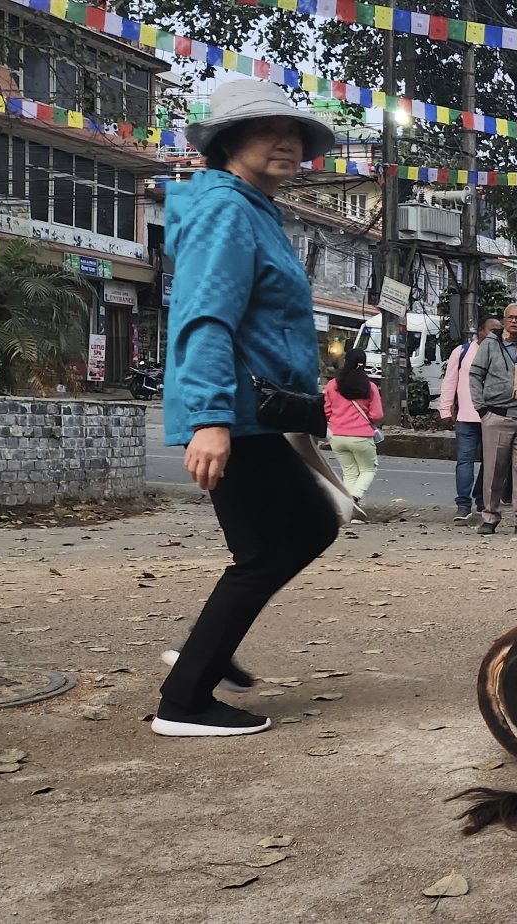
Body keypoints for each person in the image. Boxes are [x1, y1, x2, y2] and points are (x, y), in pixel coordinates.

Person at [157, 79, 339, 737]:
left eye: (296, 133)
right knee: (264, 553)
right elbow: (206, 314)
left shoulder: (255, 208)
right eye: (269, 129)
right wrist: (209, 419)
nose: (288, 142)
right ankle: (185, 702)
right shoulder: (227, 209)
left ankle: (207, 645)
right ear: (230, 140)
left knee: (312, 524)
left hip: (260, 412)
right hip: (234, 410)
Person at [471, 303, 517, 536]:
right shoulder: (490, 345)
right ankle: (490, 517)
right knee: (494, 469)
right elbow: (475, 376)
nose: (514, 321)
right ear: (504, 320)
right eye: (510, 317)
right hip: (497, 415)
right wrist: (482, 409)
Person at [439, 316, 500, 520]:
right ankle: (463, 505)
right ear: (480, 332)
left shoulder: (501, 352)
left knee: (490, 463)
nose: (496, 334)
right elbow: (450, 382)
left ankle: (482, 500)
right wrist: (445, 410)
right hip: (466, 417)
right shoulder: (462, 352)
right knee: (464, 461)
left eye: (498, 330)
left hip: (493, 417)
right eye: (492, 330)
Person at [323, 361, 383, 507]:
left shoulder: (332, 385)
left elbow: (326, 411)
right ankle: (355, 497)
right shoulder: (370, 387)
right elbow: (377, 415)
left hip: (336, 436)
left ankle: (348, 504)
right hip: (361, 437)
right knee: (368, 469)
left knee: (349, 472)